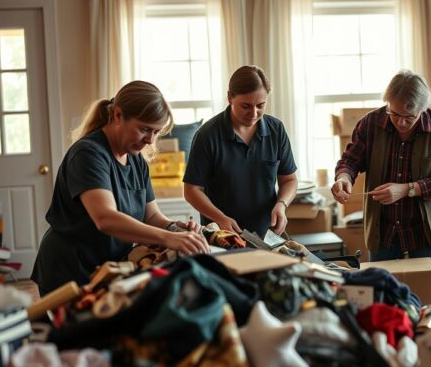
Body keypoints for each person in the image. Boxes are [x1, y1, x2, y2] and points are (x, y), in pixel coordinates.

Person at [32, 81, 210, 296]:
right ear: (118, 115)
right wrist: (167, 239)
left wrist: (175, 228)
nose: (149, 140)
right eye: (144, 129)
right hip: (70, 268)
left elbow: (151, 215)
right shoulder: (88, 155)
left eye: (156, 132)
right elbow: (105, 218)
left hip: (108, 267)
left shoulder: (136, 160)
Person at [331, 70, 431, 295]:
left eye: (409, 116)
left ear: (423, 109)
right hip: (383, 230)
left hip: (425, 231)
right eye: (394, 114)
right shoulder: (370, 124)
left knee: (428, 296)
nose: (400, 123)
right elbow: (350, 161)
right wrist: (343, 178)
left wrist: (409, 189)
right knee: (382, 297)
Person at [184, 66, 297, 237]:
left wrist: (282, 204)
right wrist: (220, 218)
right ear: (230, 97)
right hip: (222, 236)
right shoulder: (207, 135)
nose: (253, 113)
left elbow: (289, 179)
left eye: (260, 105)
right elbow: (192, 190)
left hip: (268, 235)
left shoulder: (276, 130)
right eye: (246, 106)